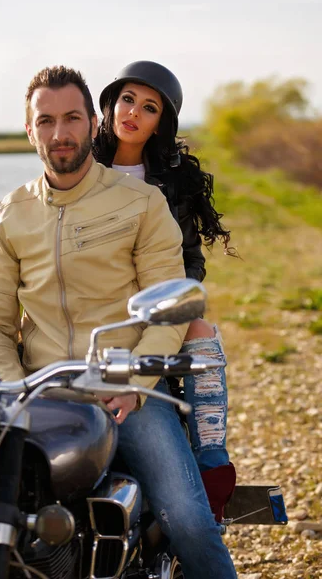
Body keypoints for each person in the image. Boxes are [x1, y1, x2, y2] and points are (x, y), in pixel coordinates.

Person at [0, 65, 236, 578]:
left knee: (187, 519)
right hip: (38, 396)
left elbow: (173, 305)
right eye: (45, 120)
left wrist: (134, 382)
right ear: (30, 130)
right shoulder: (9, 214)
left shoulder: (141, 200)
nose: (60, 132)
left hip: (125, 394)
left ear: (93, 123)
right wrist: (9, 392)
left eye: (72, 117)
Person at [94, 60, 236, 522]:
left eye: (149, 107)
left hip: (157, 304)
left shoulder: (174, 182)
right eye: (127, 99)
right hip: (97, 306)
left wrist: (172, 297)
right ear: (111, 104)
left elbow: (192, 260)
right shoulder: (84, 168)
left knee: (199, 324)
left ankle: (212, 464)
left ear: (161, 123)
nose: (132, 112)